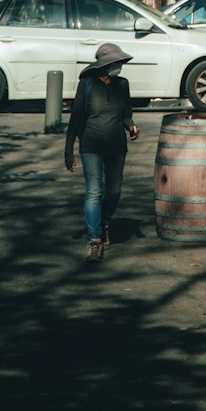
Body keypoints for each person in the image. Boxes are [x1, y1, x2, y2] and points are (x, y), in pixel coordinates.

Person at [64, 42, 140, 263]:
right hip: (91, 144)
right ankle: (94, 238)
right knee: (94, 191)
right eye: (116, 63)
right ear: (104, 65)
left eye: (120, 63)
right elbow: (76, 117)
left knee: (114, 191)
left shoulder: (123, 84)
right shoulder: (87, 84)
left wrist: (131, 126)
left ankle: (104, 222)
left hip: (117, 145)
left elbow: (126, 114)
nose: (120, 67)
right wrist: (68, 149)